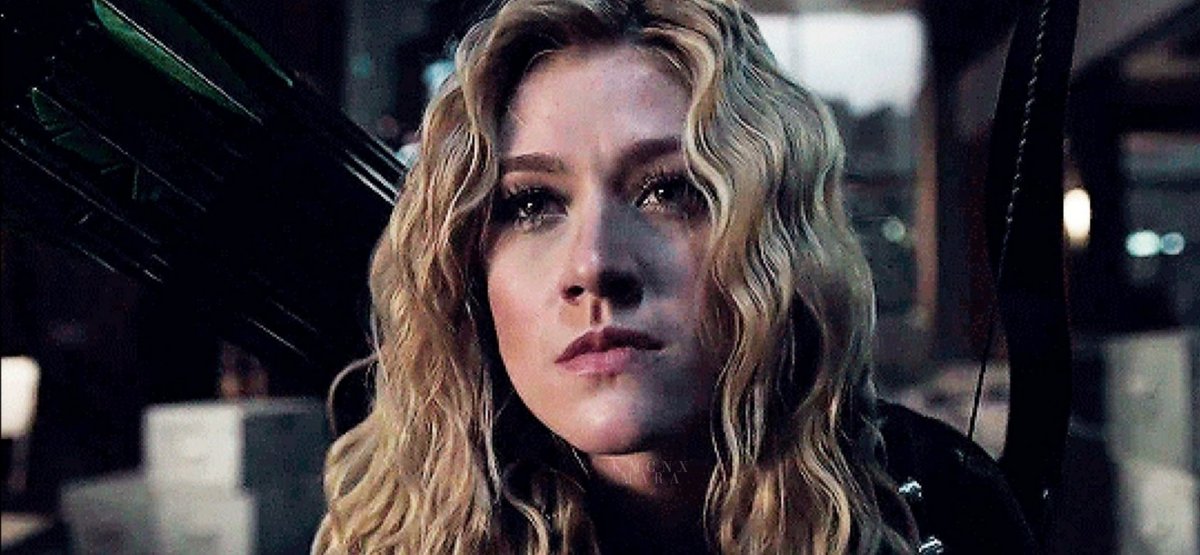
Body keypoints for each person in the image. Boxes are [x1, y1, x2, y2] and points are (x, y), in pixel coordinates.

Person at [314, 1, 1033, 553]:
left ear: (772, 237)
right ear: (468, 272)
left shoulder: (939, 505)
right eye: (531, 204)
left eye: (669, 190)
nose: (594, 265)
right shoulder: (396, 532)